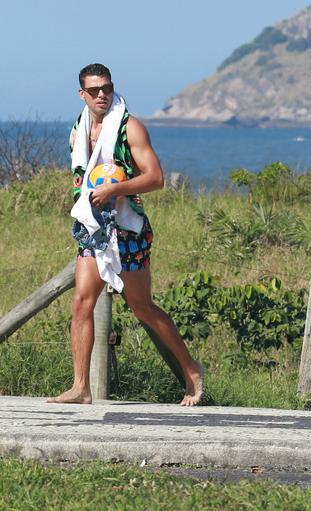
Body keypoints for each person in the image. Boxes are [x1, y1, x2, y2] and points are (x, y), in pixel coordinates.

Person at [47, 63, 204, 406]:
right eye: (94, 90)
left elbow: (156, 177)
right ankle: (81, 387)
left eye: (106, 87)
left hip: (127, 231)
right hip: (94, 228)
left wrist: (116, 189)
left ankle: (191, 369)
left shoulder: (130, 128)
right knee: (81, 303)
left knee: (142, 308)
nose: (102, 94)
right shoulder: (79, 129)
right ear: (82, 95)